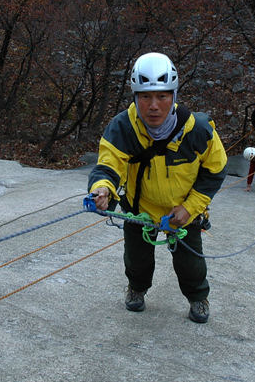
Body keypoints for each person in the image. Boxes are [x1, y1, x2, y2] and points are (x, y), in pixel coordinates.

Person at [88, 52, 228, 323]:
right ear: (135, 97)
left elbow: (215, 171)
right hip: (139, 212)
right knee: (137, 262)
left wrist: (190, 209)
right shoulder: (122, 128)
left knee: (191, 265)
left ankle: (198, 297)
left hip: (184, 213)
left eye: (162, 96)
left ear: (173, 97)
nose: (154, 106)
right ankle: (137, 289)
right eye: (145, 97)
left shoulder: (198, 130)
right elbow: (108, 166)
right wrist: (103, 189)